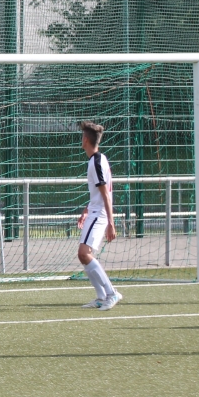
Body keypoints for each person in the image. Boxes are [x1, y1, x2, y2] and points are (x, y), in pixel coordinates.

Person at [76, 121, 122, 310]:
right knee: (84, 255)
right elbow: (98, 194)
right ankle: (101, 297)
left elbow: (106, 195)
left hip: (100, 214)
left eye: (82, 136)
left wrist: (111, 222)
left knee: (84, 253)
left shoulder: (96, 162)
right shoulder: (98, 159)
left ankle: (111, 293)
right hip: (95, 212)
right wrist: (86, 210)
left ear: (86, 140)